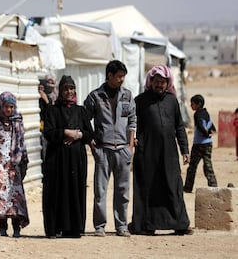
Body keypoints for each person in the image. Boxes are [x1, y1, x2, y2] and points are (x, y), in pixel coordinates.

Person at [130, 64, 193, 236]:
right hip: (147, 151)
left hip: (169, 153)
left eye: (163, 82)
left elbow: (179, 126)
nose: (159, 85)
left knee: (173, 185)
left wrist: (185, 150)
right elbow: (131, 124)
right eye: (156, 82)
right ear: (150, 82)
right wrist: (133, 140)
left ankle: (180, 224)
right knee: (147, 187)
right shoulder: (140, 101)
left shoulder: (172, 101)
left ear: (168, 83)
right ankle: (145, 225)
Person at [84, 60, 136, 238]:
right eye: (119, 76)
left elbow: (132, 122)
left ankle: (121, 226)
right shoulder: (95, 96)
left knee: (123, 191)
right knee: (100, 191)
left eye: (123, 76)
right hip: (103, 150)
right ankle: (99, 226)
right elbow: (85, 121)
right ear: (110, 76)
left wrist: (130, 146)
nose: (122, 80)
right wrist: (92, 144)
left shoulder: (128, 96)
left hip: (122, 150)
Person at [43, 75, 93, 238]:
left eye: (71, 88)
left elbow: (89, 134)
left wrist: (77, 135)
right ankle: (54, 228)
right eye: (65, 88)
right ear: (60, 90)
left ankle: (74, 228)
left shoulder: (81, 111)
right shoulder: (52, 110)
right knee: (57, 190)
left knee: (75, 190)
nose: (68, 92)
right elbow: (48, 133)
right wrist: (65, 132)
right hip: (57, 159)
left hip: (76, 160)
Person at [0, 91, 30, 238]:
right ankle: (2, 228)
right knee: (1, 196)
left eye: (11, 107)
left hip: (14, 166)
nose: (8, 110)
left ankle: (16, 228)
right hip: (0, 166)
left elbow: (22, 144)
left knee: (15, 199)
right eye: (6, 107)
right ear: (1, 106)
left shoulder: (18, 122)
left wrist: (23, 161)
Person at [184, 94, 218, 193]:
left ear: (198, 104)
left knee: (192, 167)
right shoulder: (206, 113)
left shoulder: (197, 114)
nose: (191, 106)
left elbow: (200, 126)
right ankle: (213, 186)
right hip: (208, 144)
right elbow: (213, 128)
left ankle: (188, 187)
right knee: (208, 166)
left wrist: (205, 133)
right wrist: (209, 133)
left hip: (199, 144)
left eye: (192, 104)